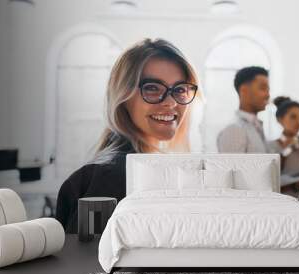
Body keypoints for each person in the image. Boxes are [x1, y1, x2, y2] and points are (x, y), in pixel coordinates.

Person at [56, 39, 200, 233]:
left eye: (180, 90)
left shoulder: (137, 168)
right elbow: (91, 260)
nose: (170, 102)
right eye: (152, 88)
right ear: (123, 96)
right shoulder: (113, 177)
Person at [268, 96, 299, 196]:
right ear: (280, 120)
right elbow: (268, 183)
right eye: (293, 117)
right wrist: (289, 149)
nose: (298, 122)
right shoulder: (271, 146)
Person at [217, 66, 270, 153]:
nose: (268, 95)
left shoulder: (256, 126)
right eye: (263, 88)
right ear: (244, 90)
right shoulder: (234, 130)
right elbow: (232, 166)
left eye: (268, 89)